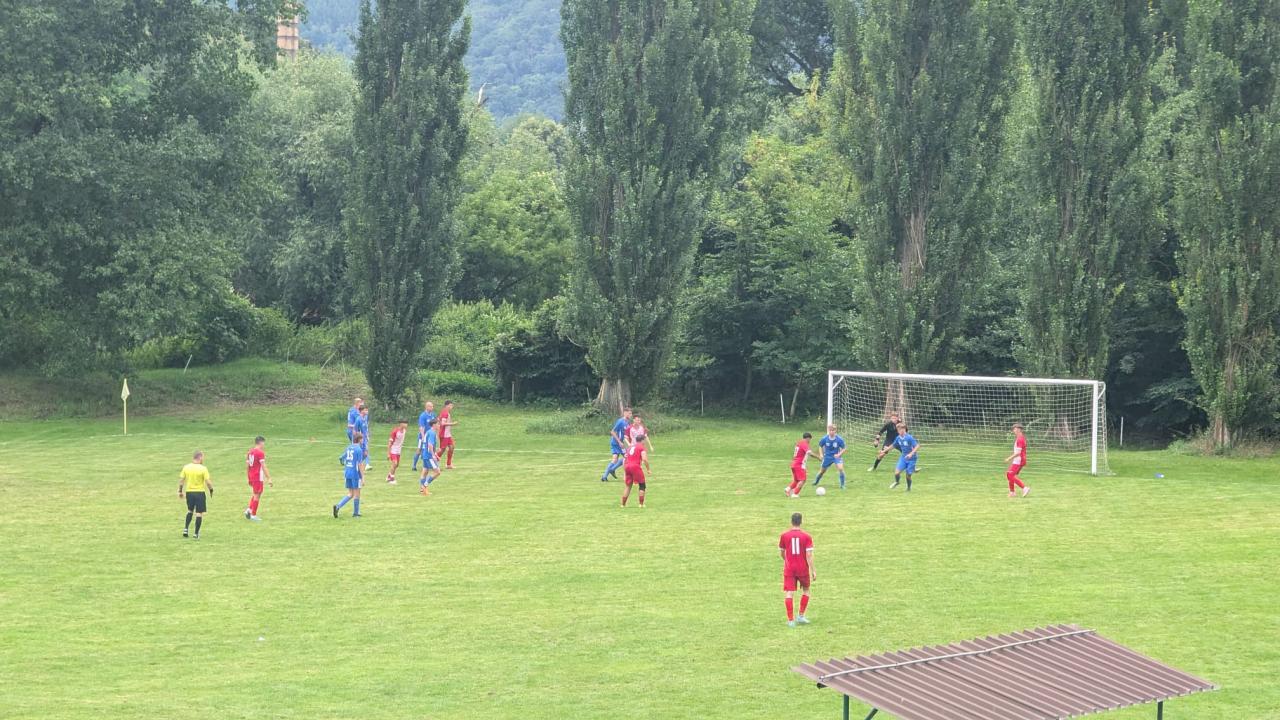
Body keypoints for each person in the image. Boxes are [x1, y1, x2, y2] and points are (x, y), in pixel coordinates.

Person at [778, 512, 815, 627]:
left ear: (791, 521)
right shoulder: (806, 537)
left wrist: (787, 560)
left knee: (789, 593)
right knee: (806, 590)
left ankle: (790, 620)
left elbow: (782, 552)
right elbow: (809, 555)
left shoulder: (784, 536)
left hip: (789, 569)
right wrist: (813, 570)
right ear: (801, 522)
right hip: (802, 568)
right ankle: (801, 616)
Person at [178, 450, 213, 539]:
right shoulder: (203, 468)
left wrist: (180, 491)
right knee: (199, 513)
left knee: (190, 510)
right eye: (203, 457)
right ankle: (196, 534)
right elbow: (208, 482)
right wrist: (211, 489)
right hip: (199, 493)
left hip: (189, 492)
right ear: (200, 457)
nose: (203, 459)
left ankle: (185, 529)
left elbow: (181, 480)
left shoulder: (186, 467)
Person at [333, 431, 365, 518]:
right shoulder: (359, 450)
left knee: (350, 493)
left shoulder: (349, 447)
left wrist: (342, 461)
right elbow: (360, 464)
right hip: (355, 473)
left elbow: (342, 457)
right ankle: (356, 513)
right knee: (357, 493)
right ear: (359, 439)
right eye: (362, 439)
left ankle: (338, 506)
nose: (363, 441)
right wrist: (363, 477)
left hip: (347, 472)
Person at [600, 406, 633, 482]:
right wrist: (619, 442)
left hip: (622, 443)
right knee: (620, 458)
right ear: (625, 413)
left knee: (622, 458)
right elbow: (612, 432)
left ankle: (608, 473)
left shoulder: (627, 422)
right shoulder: (620, 421)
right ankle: (607, 474)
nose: (631, 415)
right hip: (616, 443)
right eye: (629, 413)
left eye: (631, 413)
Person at [244, 436, 271, 521]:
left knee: (257, 493)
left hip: (252, 475)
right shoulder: (260, 453)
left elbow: (247, 466)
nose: (264, 445)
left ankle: (249, 510)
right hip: (257, 476)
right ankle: (253, 515)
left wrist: (248, 477)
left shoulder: (250, 452)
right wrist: (269, 478)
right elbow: (263, 466)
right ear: (261, 442)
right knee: (257, 494)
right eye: (263, 443)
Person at [786, 432, 821, 497]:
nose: (809, 441)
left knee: (796, 480)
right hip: (799, 465)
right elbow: (810, 453)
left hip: (794, 464)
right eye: (810, 440)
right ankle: (795, 494)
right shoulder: (804, 444)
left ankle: (788, 489)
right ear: (808, 438)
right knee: (803, 480)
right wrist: (818, 457)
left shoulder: (799, 443)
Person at [813, 424, 848, 490]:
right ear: (828, 430)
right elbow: (820, 446)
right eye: (830, 430)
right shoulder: (825, 438)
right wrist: (821, 454)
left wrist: (839, 454)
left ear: (835, 431)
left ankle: (842, 485)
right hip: (827, 457)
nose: (831, 432)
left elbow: (844, 448)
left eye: (833, 430)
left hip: (836, 457)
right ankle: (816, 481)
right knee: (822, 471)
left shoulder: (839, 439)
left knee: (841, 469)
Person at [620, 434, 651, 508]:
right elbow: (644, 459)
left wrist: (624, 472)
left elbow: (625, 459)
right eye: (644, 440)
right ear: (642, 440)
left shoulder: (630, 447)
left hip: (627, 466)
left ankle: (623, 504)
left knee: (628, 486)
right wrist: (648, 469)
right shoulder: (641, 447)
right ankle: (641, 504)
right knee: (642, 485)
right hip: (635, 467)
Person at [889, 422, 919, 491]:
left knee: (908, 475)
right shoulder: (898, 438)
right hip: (903, 458)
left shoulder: (909, 437)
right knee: (896, 473)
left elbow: (917, 446)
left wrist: (911, 454)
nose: (899, 431)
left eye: (901, 429)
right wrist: (885, 450)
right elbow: (893, 445)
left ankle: (908, 488)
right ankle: (897, 482)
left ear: (904, 429)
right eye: (898, 430)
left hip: (912, 459)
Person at [1004, 423, 1030, 498]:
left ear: (1019, 429)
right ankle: (1012, 492)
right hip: (1019, 460)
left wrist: (1009, 458)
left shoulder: (1020, 439)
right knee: (1010, 475)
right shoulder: (1020, 438)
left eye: (1014, 429)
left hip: (1019, 460)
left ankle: (1024, 488)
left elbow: (1018, 453)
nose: (1013, 430)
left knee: (1010, 475)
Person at [419, 418, 441, 495]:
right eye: (438, 424)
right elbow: (430, 445)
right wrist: (433, 455)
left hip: (425, 454)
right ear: (434, 425)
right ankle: (425, 486)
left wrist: (435, 453)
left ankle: (422, 490)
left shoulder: (428, 432)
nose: (439, 425)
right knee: (437, 472)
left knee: (425, 472)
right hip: (429, 456)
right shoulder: (432, 433)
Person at [412, 400, 436, 471]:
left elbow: (436, 424)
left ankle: (431, 465)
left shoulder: (433, 415)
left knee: (432, 449)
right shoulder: (423, 415)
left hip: (430, 435)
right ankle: (414, 465)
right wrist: (423, 436)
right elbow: (421, 427)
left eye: (432, 406)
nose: (432, 408)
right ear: (426, 407)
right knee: (419, 450)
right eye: (430, 406)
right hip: (423, 436)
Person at [386, 419, 408, 485]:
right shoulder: (395, 432)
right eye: (405, 423)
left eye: (407, 423)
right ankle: (391, 479)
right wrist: (388, 453)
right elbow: (390, 443)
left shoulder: (404, 431)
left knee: (397, 465)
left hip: (399, 450)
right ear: (401, 424)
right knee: (395, 463)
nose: (406, 425)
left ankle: (389, 476)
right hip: (393, 450)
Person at [438, 400, 457, 469]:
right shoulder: (445, 413)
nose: (452, 407)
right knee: (442, 449)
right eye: (451, 405)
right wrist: (453, 424)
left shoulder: (445, 412)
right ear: (447, 405)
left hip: (448, 434)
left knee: (452, 447)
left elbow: (438, 420)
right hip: (444, 434)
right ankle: (433, 462)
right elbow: (443, 423)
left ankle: (448, 464)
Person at [355, 405, 372, 470]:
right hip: (361, 439)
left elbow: (365, 428)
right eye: (365, 410)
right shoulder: (358, 419)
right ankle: (360, 464)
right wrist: (359, 439)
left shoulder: (365, 418)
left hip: (365, 439)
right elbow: (356, 430)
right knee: (362, 452)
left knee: (366, 453)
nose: (367, 411)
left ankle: (359, 464)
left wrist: (367, 435)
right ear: (362, 411)